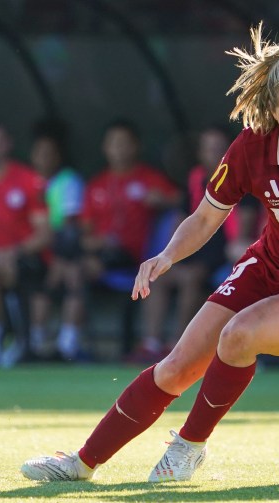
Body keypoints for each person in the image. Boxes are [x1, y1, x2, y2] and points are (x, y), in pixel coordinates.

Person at [20, 23, 279, 483]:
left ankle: (189, 446)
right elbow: (206, 217)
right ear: (272, 111)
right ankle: (81, 463)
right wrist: (166, 256)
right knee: (176, 368)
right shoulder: (251, 147)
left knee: (239, 336)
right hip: (268, 268)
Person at [126, 125, 261, 364]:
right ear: (200, 153)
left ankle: (178, 347)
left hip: (223, 255)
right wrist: (168, 255)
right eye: (208, 149)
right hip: (193, 251)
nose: (214, 154)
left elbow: (241, 235)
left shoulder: (243, 181)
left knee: (191, 278)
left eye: (219, 149)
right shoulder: (195, 180)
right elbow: (184, 221)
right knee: (157, 277)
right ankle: (151, 343)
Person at [79, 118, 181, 360]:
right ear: (105, 148)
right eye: (114, 143)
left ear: (136, 146)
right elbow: (84, 236)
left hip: (139, 256)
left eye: (124, 143)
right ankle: (74, 342)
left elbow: (182, 202)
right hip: (106, 256)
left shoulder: (150, 178)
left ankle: (151, 344)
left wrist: (163, 201)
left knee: (153, 272)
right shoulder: (97, 184)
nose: (119, 149)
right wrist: (98, 243)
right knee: (76, 269)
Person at [0, 122, 51, 364]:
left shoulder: (29, 180)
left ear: (7, 145)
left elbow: (44, 235)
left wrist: (8, 253)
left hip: (31, 259)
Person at [27, 124, 87, 360]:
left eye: (49, 153)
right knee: (46, 278)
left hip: (61, 250)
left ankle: (67, 345)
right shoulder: (27, 181)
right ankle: (34, 342)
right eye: (39, 152)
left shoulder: (68, 181)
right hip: (34, 251)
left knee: (70, 273)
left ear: (59, 156)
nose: (44, 158)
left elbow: (70, 227)